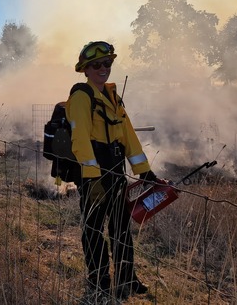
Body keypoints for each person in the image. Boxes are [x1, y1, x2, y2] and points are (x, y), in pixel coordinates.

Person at [66, 41, 160, 303]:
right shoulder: (81, 97)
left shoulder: (113, 96)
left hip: (116, 169)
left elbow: (127, 134)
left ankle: (127, 279)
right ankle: (99, 281)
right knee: (94, 230)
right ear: (85, 69)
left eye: (107, 63)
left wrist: (144, 171)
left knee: (120, 229)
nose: (103, 68)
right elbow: (80, 139)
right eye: (96, 65)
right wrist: (91, 176)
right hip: (94, 173)